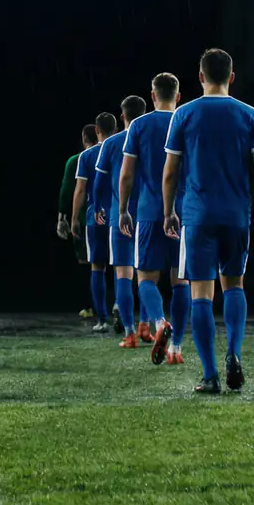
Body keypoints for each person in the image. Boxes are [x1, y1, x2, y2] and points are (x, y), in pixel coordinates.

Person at [162, 48, 254, 395]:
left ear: (200, 77)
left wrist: (169, 211)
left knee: (201, 293)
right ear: (231, 76)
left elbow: (170, 173)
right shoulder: (249, 115)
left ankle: (210, 375)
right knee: (234, 286)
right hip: (235, 215)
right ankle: (234, 354)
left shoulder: (184, 114)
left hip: (198, 216)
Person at [119, 72, 189, 366]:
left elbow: (127, 173)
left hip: (148, 212)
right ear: (178, 96)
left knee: (145, 279)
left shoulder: (139, 125)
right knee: (181, 282)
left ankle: (159, 323)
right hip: (184, 211)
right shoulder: (186, 120)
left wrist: (123, 209)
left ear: (152, 95)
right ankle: (176, 348)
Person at [98, 95, 147, 349]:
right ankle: (147, 325)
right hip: (149, 214)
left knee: (123, 275)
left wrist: (99, 206)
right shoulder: (150, 139)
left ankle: (129, 332)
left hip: (121, 215)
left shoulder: (113, 143)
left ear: (122, 115)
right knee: (147, 275)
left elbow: (100, 182)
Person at [72, 115, 114, 332]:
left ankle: (102, 319)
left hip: (95, 217)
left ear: (96, 129)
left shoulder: (87, 155)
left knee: (98, 266)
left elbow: (80, 190)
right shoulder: (120, 149)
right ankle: (122, 309)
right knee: (123, 267)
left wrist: (73, 219)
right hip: (119, 214)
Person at [60, 124, 100, 321]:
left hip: (86, 217)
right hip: (109, 216)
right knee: (110, 264)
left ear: (84, 139)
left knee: (86, 262)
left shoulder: (77, 160)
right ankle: (114, 305)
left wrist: (64, 217)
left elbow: (69, 190)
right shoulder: (110, 153)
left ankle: (91, 306)